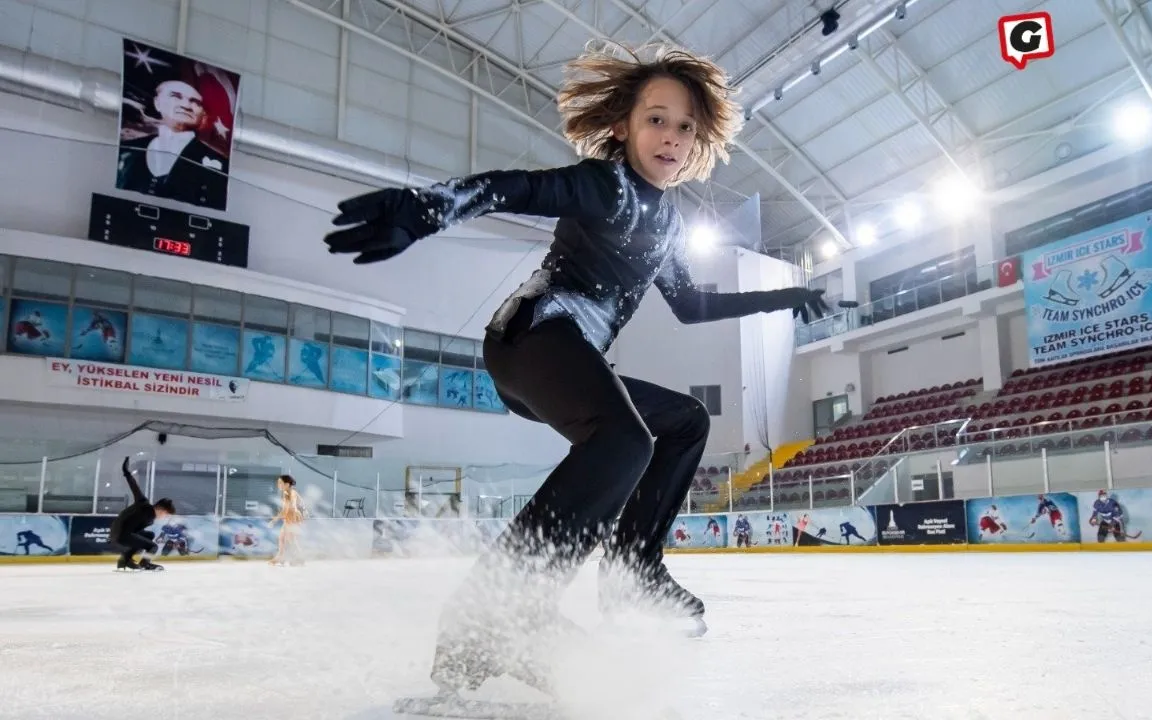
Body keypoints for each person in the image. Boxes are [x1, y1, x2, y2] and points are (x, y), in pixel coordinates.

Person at [323, 42, 829, 695]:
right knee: (625, 442)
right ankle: (493, 614)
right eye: (657, 119)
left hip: (568, 358)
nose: (671, 138)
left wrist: (787, 295)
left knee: (682, 423)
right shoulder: (605, 184)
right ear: (623, 125)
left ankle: (630, 574)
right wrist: (430, 208)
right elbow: (517, 187)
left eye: (684, 128)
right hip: (533, 337)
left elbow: (694, 304)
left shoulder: (666, 220)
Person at [116, 73, 230, 210]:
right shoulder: (125, 150)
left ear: (203, 114)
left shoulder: (222, 167)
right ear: (157, 103)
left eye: (196, 102)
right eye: (175, 96)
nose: (186, 105)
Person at [109, 457, 175, 571]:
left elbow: (135, 488)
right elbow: (135, 487)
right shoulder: (144, 504)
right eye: (166, 514)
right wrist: (126, 473)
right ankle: (145, 564)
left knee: (149, 535)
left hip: (120, 532)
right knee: (153, 546)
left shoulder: (145, 505)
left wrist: (127, 473)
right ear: (161, 510)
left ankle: (124, 560)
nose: (164, 517)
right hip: (121, 534)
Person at [267, 474, 305, 566]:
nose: (278, 485)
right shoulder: (285, 493)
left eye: (280, 483)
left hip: (294, 518)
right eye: (278, 483)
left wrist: (274, 520)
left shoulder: (292, 492)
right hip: (289, 517)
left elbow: (292, 505)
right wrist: (275, 519)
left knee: (290, 539)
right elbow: (285, 509)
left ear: (287, 484)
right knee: (282, 538)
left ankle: (298, 558)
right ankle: (281, 557)